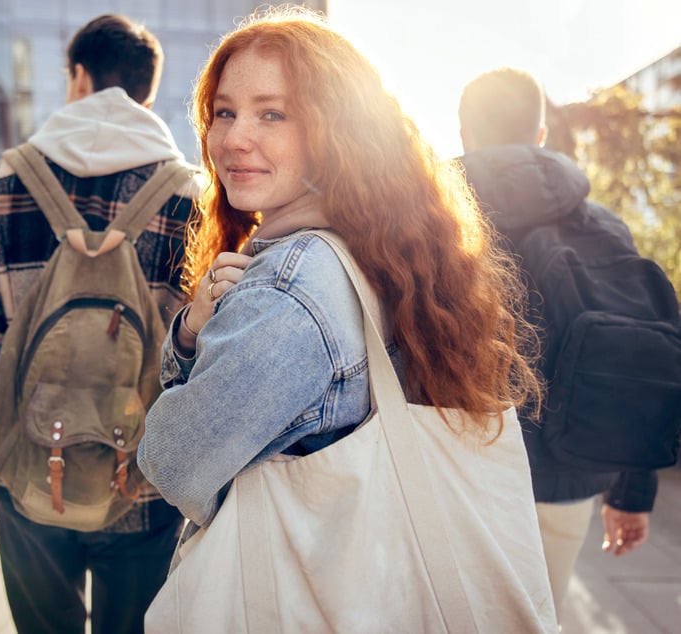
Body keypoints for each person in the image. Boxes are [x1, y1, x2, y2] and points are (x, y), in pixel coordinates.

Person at [136, 6, 540, 534]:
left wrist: (186, 338)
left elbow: (173, 464)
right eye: (225, 112)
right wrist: (194, 333)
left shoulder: (290, 288)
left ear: (338, 132)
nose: (233, 139)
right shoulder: (379, 246)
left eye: (272, 114)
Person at [0, 14, 197, 634]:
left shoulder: (3, 181)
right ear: (145, 90)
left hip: (28, 464)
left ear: (79, 77)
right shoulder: (189, 193)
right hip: (141, 476)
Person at [456, 66, 658, 618]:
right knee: (541, 617)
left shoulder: (432, 222)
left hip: (457, 471)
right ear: (540, 137)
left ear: (465, 135)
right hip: (571, 470)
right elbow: (635, 354)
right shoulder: (604, 225)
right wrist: (630, 491)